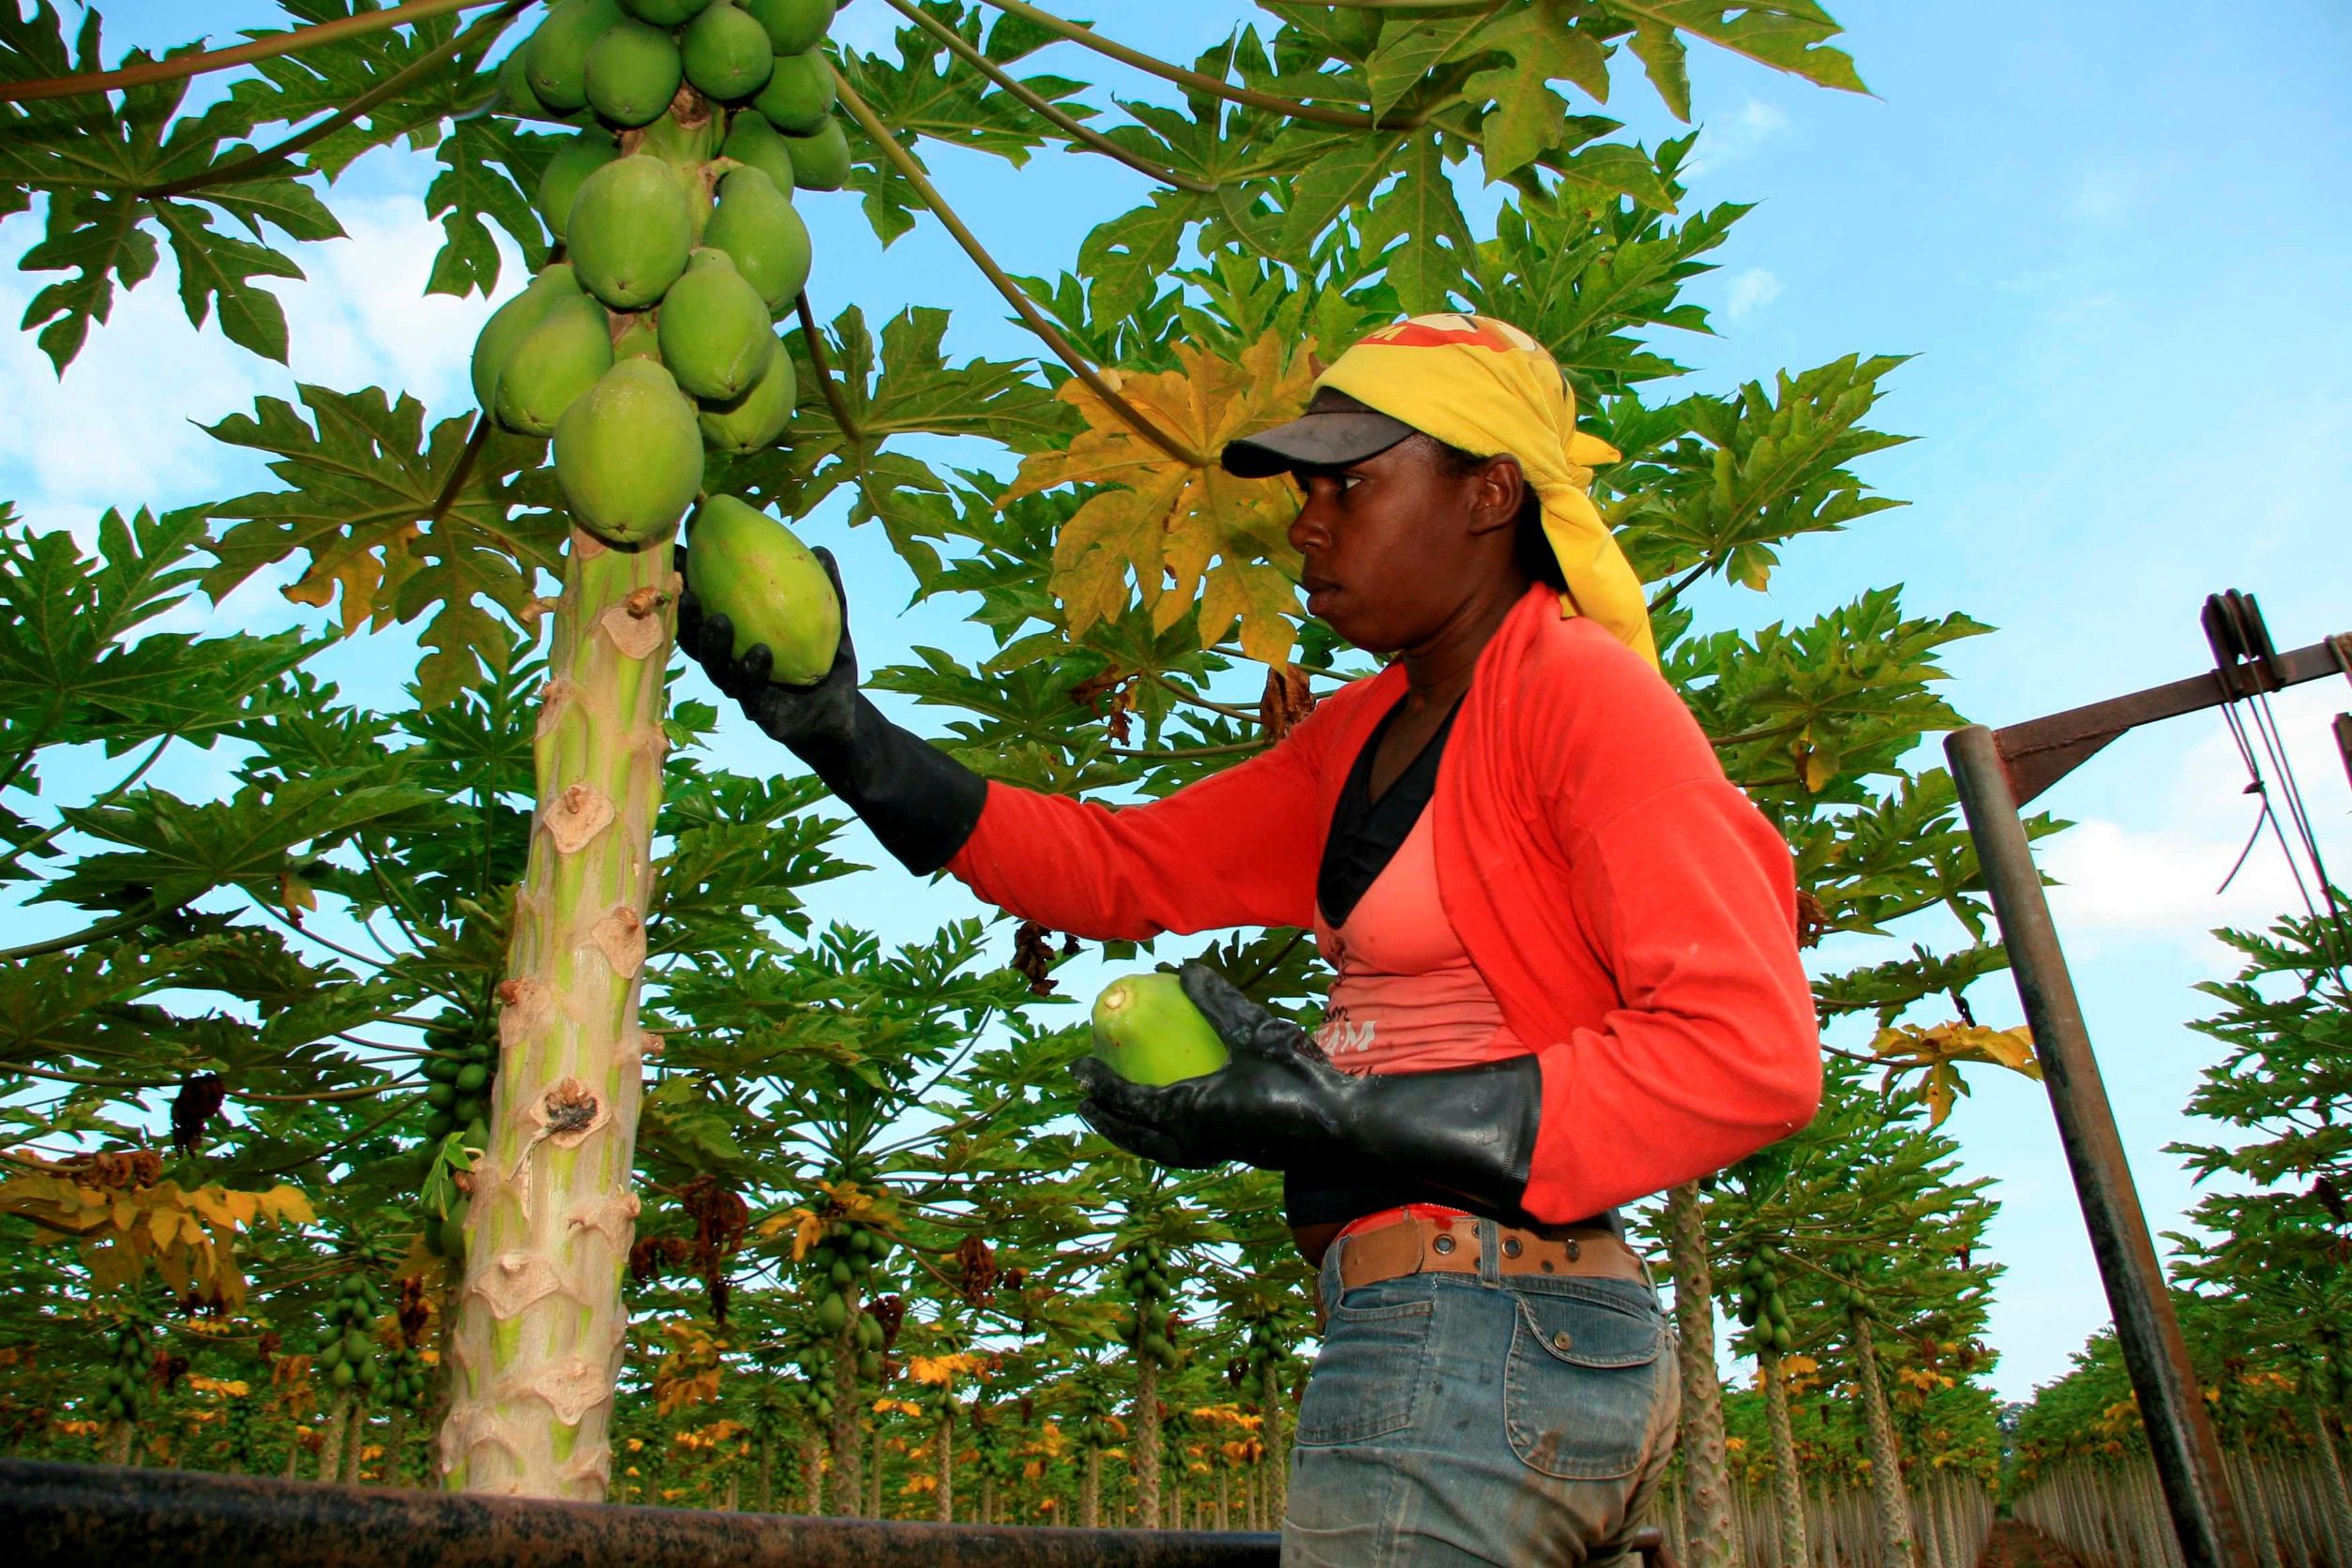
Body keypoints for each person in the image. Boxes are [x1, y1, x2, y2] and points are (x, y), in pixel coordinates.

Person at [680, 312, 1821, 1564]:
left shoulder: (1587, 697)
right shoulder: (1365, 734)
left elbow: (1744, 1057)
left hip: (1489, 1322)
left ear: (1490, 493)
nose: (1306, 522)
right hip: (1444, 1327)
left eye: (1351, 484)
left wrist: (1332, 1114)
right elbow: (1119, 868)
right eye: (1304, 488)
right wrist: (846, 736)